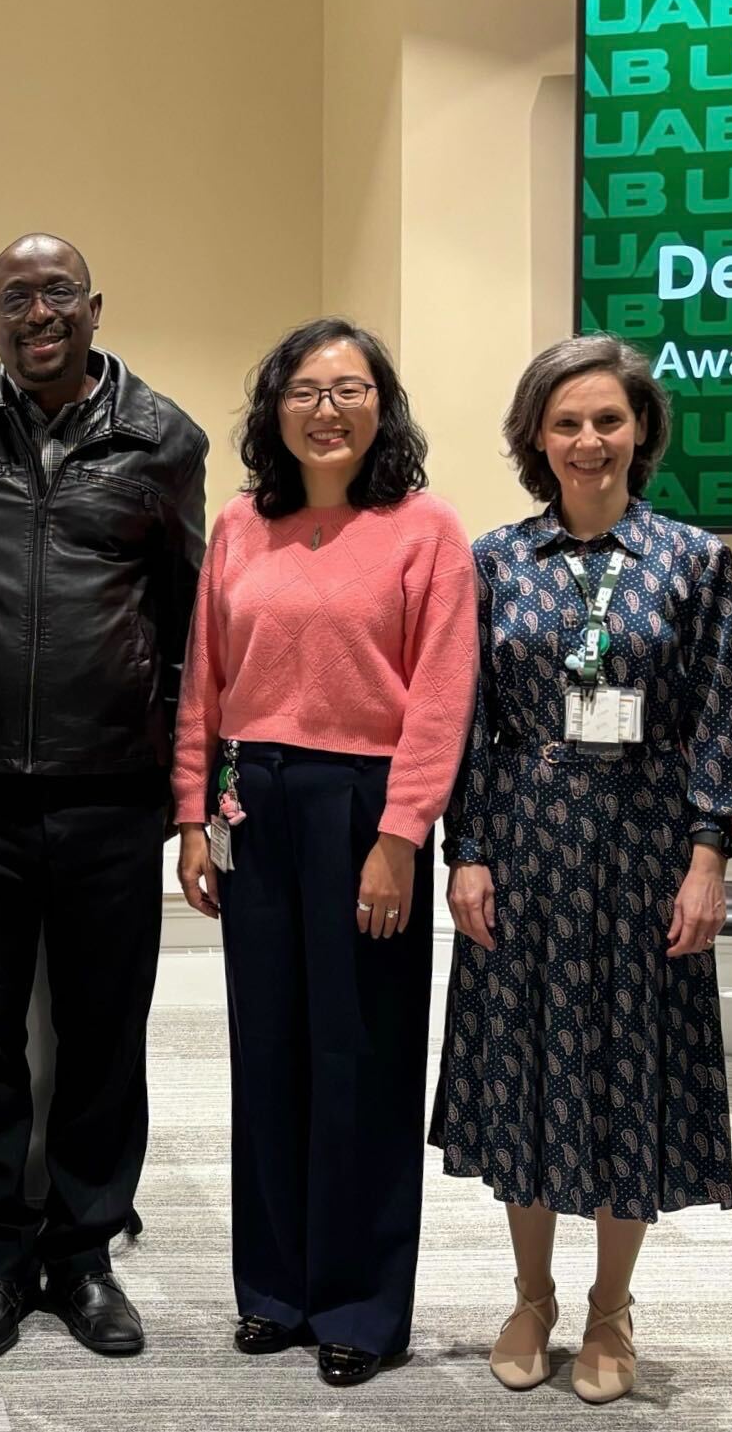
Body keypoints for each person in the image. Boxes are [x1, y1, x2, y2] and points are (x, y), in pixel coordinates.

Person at [0, 233, 207, 1362]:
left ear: (93, 307)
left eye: (57, 293)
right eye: (15, 298)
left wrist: (183, 789)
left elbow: (187, 622)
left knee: (102, 1034)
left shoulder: (162, 437)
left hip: (109, 794)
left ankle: (82, 1256)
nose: (38, 313)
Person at [433, 335, 732, 1405]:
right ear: (536, 436)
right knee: (523, 1069)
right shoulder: (491, 561)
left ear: (640, 430)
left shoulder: (692, 560)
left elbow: (719, 717)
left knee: (631, 1073)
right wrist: (467, 852)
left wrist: (706, 860)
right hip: (524, 843)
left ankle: (611, 1305)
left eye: (607, 419)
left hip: (647, 844)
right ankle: (530, 1296)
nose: (587, 440)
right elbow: (468, 722)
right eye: (565, 421)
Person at [172, 317, 475, 1388]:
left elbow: (440, 695)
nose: (327, 409)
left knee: (363, 1055)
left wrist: (401, 835)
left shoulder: (424, 529)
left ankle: (359, 1302)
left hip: (364, 807)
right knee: (267, 1050)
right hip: (254, 801)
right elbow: (204, 678)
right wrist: (192, 814)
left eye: (350, 389)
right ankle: (274, 1288)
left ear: (381, 407)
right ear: (275, 409)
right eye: (305, 389)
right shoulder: (238, 524)